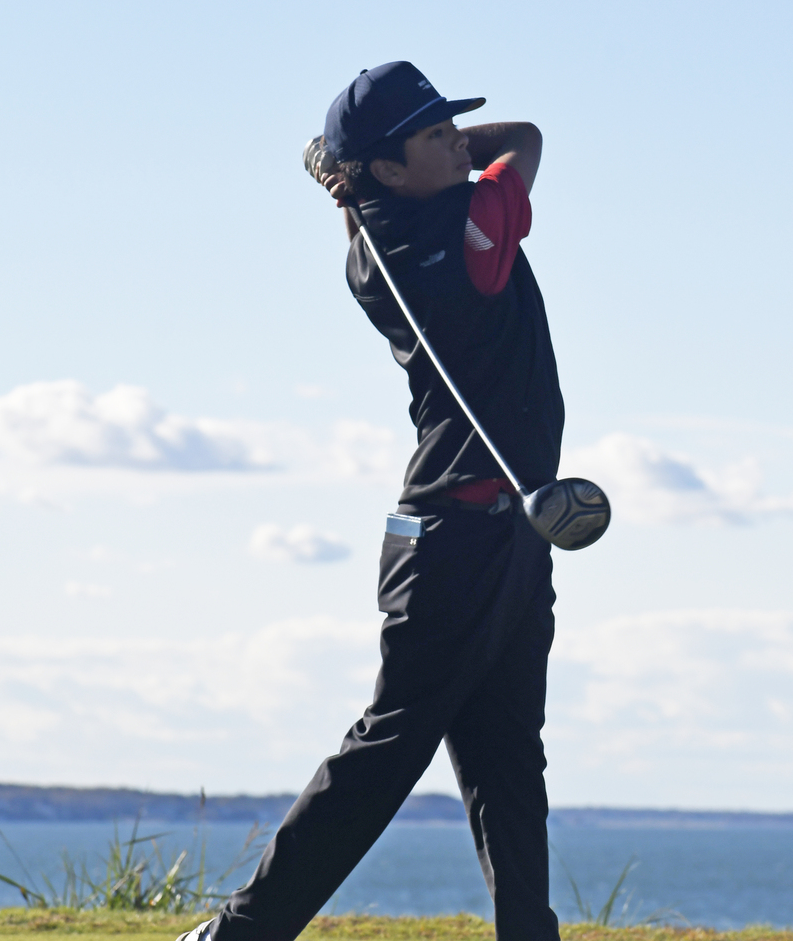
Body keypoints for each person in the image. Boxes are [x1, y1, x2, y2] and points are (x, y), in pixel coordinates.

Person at [176, 61, 564, 941]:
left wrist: (357, 173)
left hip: (495, 531)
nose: (457, 144)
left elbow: (396, 183)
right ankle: (241, 931)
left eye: (452, 128)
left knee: (507, 756)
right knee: (390, 749)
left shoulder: (374, 234)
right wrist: (348, 170)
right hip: (460, 537)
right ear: (387, 169)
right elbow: (526, 139)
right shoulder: (471, 226)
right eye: (434, 136)